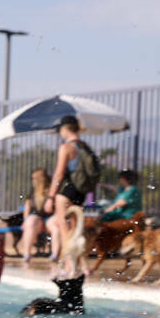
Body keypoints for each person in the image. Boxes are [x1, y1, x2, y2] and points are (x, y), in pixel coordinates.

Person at [44, 115, 100, 278]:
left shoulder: (66, 147)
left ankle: (70, 269)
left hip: (66, 194)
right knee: (77, 232)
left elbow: (59, 174)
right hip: (80, 194)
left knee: (65, 232)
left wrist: (51, 197)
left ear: (65, 129)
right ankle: (84, 266)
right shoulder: (85, 147)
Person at [18, 167, 53, 263]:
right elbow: (27, 206)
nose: (32, 180)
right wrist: (25, 221)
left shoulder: (51, 190)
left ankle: (56, 255)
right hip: (36, 220)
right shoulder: (31, 190)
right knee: (30, 222)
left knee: (55, 225)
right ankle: (26, 254)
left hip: (48, 219)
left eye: (33, 178)